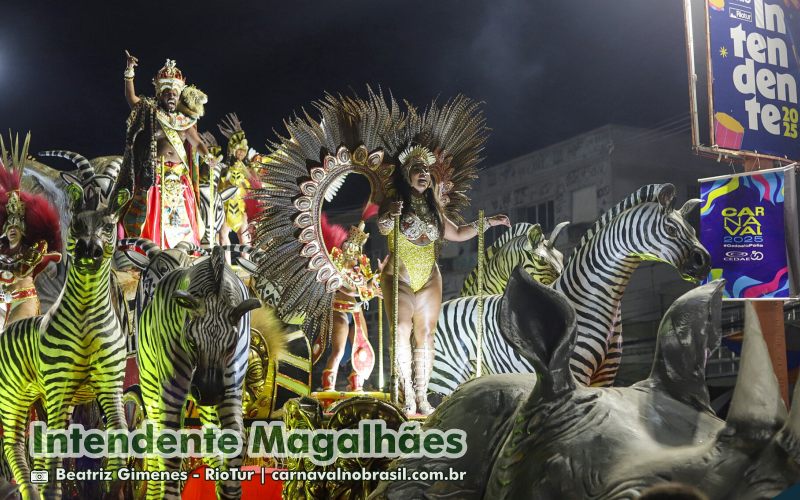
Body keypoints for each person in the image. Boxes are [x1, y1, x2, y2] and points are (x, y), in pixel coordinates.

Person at [378, 145, 510, 415]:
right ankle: (406, 396)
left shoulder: (434, 210)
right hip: (398, 276)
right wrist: (390, 214)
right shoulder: (394, 204)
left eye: (426, 170)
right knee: (402, 330)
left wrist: (489, 223)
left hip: (428, 278)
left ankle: (421, 394)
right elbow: (382, 226)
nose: (423, 174)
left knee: (426, 335)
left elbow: (460, 233)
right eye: (417, 169)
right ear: (406, 174)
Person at [121, 51, 215, 248]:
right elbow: (131, 98)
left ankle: (185, 250)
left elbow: (197, 143)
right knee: (153, 216)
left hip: (180, 177)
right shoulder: (150, 113)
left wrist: (208, 157)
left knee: (184, 216)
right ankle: (152, 250)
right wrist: (129, 72)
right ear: (160, 94)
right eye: (167, 93)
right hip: (155, 175)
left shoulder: (184, 120)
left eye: (175, 93)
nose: (171, 96)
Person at [320, 221, 381, 392]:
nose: (353, 253)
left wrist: (377, 282)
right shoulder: (337, 267)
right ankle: (328, 387)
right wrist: (368, 290)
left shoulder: (360, 269)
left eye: (356, 251)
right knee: (338, 351)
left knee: (361, 350)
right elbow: (348, 289)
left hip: (356, 311)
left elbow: (368, 288)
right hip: (339, 308)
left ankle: (357, 386)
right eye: (350, 249)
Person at [0, 191, 61, 326]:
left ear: (23, 229)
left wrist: (44, 258)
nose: (12, 230)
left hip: (22, 298)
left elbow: (53, 261)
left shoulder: (32, 250)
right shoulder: (1, 248)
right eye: (10, 226)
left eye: (16, 227)